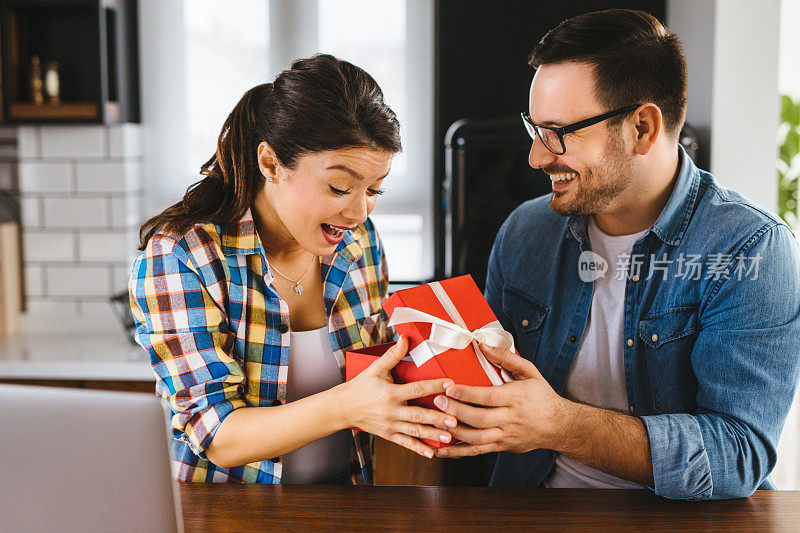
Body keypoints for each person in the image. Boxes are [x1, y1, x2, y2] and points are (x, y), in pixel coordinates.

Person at [432, 9, 800, 500]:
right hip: (528, 507)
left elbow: (737, 455)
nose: (537, 157)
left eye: (558, 133)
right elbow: (491, 392)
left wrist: (559, 425)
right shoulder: (525, 231)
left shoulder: (749, 250)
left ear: (643, 128)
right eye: (534, 129)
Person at [129, 54, 455, 485]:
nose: (359, 210)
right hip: (227, 515)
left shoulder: (359, 242)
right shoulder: (183, 256)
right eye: (340, 187)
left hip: (345, 504)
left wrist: (449, 368)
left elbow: (375, 371)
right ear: (271, 164)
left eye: (375, 189)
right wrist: (347, 405)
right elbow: (217, 433)